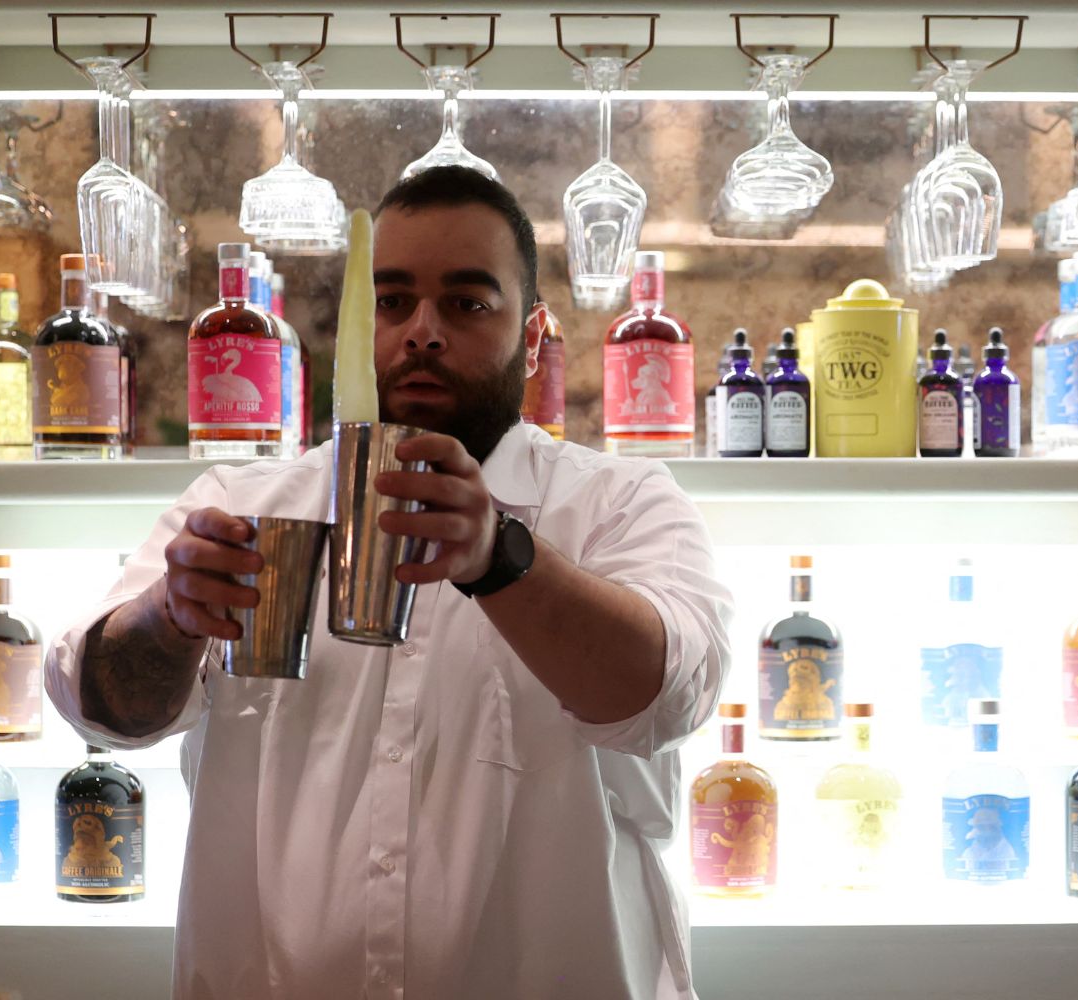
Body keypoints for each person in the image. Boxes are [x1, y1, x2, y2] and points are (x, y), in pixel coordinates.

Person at [46, 164, 731, 1000]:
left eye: (468, 303)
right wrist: (170, 617)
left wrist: (500, 558)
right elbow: (102, 708)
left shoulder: (618, 505)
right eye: (394, 300)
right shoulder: (241, 504)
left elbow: (668, 694)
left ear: (536, 333)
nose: (422, 333)